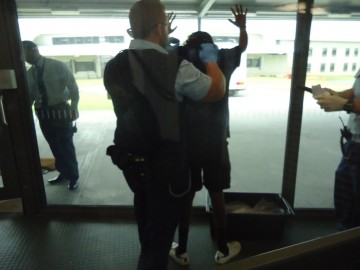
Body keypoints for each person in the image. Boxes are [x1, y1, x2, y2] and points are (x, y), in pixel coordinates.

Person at [103, 1, 226, 270]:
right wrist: (211, 60)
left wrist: (162, 39)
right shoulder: (176, 67)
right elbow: (216, 90)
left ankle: (149, 247)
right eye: (166, 27)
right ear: (160, 29)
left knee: (145, 212)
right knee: (159, 240)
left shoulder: (112, 65)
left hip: (130, 161)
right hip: (166, 167)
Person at [169, 4, 248, 266]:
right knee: (217, 193)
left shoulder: (181, 60)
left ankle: (181, 249)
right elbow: (242, 48)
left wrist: (165, 34)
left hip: (187, 140)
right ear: (210, 47)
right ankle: (224, 249)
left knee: (187, 194)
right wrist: (242, 28)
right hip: (215, 140)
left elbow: (161, 53)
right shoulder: (221, 58)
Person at [22, 40, 80, 190]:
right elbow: (31, 96)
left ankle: (73, 176)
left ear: (34, 49)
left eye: (23, 52)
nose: (22, 57)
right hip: (43, 113)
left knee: (65, 145)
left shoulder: (57, 66)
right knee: (54, 145)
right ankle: (63, 173)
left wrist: (74, 107)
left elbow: (73, 87)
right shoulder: (29, 73)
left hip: (60, 110)